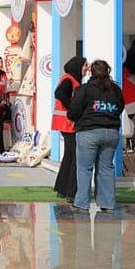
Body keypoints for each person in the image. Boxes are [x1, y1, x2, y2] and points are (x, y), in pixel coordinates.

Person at [66, 59, 124, 212]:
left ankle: (82, 203)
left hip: (88, 131)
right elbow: (120, 107)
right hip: (111, 132)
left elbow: (73, 111)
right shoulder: (115, 90)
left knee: (84, 168)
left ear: (91, 72)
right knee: (106, 168)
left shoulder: (84, 90)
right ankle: (107, 203)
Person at [52, 56, 87, 203]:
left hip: (65, 123)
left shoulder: (71, 79)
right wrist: (72, 107)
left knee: (69, 156)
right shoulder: (69, 80)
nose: (87, 68)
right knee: (75, 156)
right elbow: (59, 93)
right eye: (85, 65)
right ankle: (70, 191)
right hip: (68, 123)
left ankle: (62, 188)